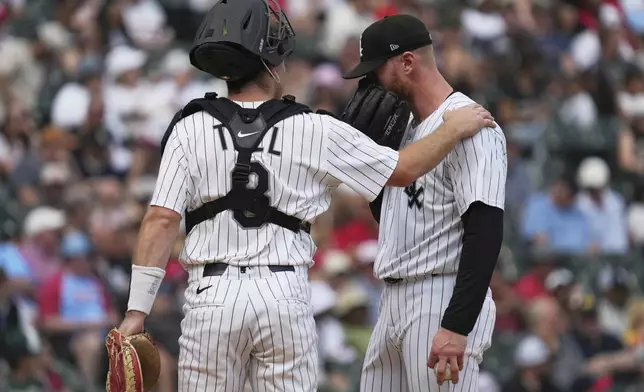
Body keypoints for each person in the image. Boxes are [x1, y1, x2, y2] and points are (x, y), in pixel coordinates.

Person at [114, 1, 496, 391]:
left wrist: (136, 311)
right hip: (284, 295)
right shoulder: (313, 128)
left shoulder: (188, 127)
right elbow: (403, 170)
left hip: (211, 295)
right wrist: (451, 129)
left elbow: (161, 219)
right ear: (272, 63)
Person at [343, 14, 506, 391]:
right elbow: (394, 217)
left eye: (375, 70)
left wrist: (456, 325)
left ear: (407, 62)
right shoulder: (405, 131)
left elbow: (485, 232)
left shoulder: (469, 124)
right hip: (393, 300)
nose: (369, 84)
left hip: (440, 296)